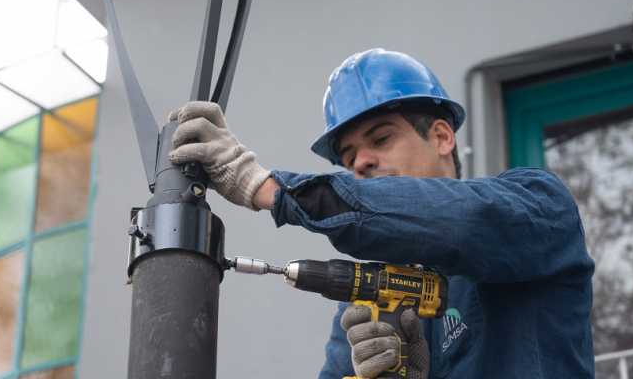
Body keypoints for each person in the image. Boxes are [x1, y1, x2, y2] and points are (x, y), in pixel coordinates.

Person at [167, 48, 595, 378]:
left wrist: (266, 187)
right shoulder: (370, 299)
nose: (361, 162)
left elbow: (456, 221)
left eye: (381, 138)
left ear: (443, 136)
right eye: (349, 155)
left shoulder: (537, 207)